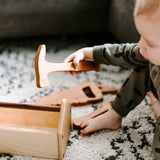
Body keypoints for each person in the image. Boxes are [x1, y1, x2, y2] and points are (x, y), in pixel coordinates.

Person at [64, 0, 160, 158]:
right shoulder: (149, 53)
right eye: (141, 37)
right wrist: (87, 53)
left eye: (149, 42)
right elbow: (123, 53)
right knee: (144, 64)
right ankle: (114, 115)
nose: (140, 44)